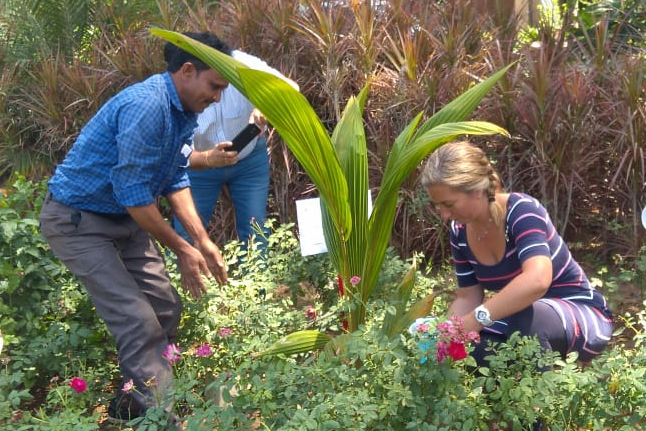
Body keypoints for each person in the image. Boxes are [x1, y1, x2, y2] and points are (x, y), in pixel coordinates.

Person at [38, 32, 230, 424]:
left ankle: (133, 402)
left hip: (124, 219)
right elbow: (135, 196)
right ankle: (164, 420)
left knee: (164, 305)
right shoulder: (147, 106)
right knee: (137, 320)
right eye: (215, 86)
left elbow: (174, 174)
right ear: (188, 71)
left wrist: (203, 241)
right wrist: (180, 247)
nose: (218, 98)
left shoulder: (183, 110)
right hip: (79, 222)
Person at [420, 140, 613, 366]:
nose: (443, 214)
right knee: (474, 351)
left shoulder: (521, 211)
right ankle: (504, 398)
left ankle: (538, 401)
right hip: (519, 321)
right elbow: (468, 297)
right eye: (437, 206)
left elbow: (537, 280)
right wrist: (444, 335)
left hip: (581, 314)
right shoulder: (459, 231)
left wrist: (475, 320)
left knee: (525, 318)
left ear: (478, 190)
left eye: (449, 204)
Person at [172, 49, 299, 256]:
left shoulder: (240, 62)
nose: (217, 96)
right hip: (200, 167)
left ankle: (257, 287)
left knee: (255, 232)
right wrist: (206, 159)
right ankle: (178, 287)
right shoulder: (182, 80)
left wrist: (266, 107)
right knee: (186, 235)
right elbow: (177, 151)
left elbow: (291, 88)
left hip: (249, 160)